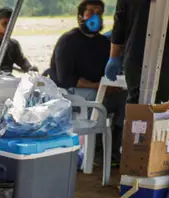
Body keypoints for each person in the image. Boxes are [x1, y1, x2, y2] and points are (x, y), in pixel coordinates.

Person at [49, 0, 126, 163]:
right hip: (72, 95)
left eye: (99, 13)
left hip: (98, 91)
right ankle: (90, 152)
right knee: (94, 97)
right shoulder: (68, 41)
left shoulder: (105, 44)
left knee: (124, 100)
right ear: (80, 17)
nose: (95, 17)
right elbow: (66, 79)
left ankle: (113, 151)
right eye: (91, 12)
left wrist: (110, 87)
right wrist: (97, 86)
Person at [0, 8, 34, 74]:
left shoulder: (14, 44)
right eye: (4, 23)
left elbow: (22, 61)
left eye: (10, 24)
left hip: (8, 79)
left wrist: (30, 68)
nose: (8, 27)